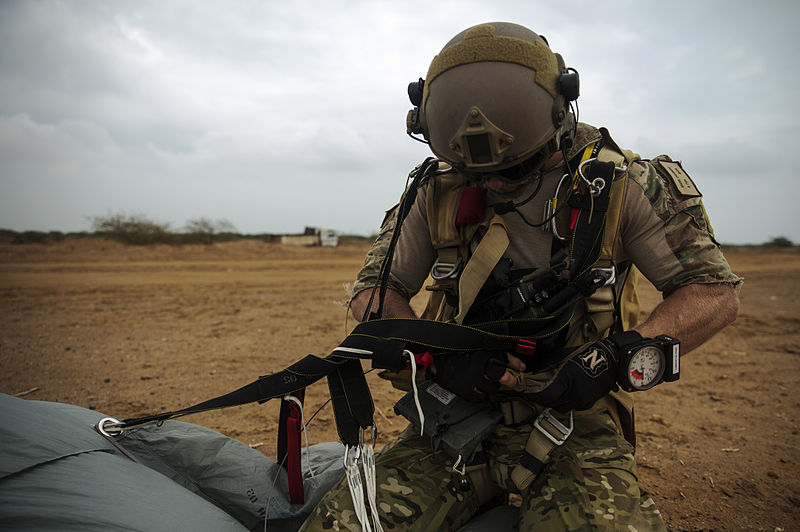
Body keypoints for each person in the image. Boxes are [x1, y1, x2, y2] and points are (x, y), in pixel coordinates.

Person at [301, 21, 740, 531]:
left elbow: (713, 294)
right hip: (453, 413)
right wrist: (436, 359)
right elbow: (373, 294)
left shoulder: (625, 186)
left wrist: (612, 356)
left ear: (560, 116)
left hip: (578, 421)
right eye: (476, 174)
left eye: (515, 170)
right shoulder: (437, 188)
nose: (493, 185)